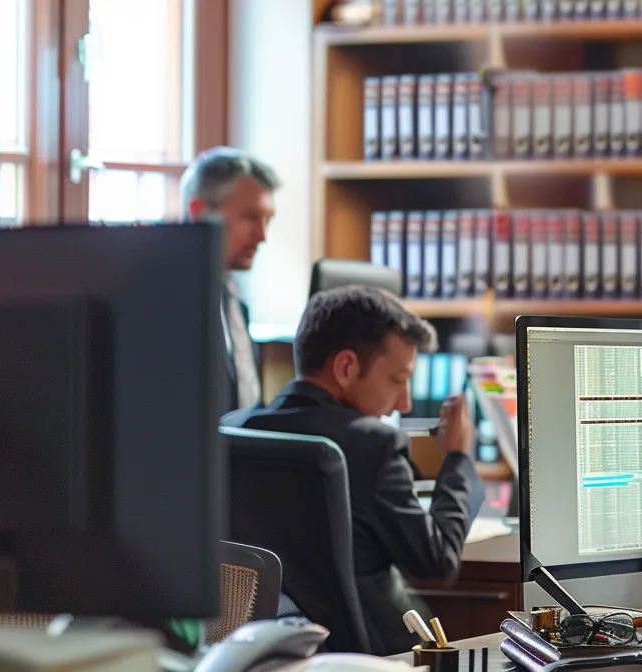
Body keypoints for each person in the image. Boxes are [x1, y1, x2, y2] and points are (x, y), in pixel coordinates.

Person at [222, 286, 483, 655]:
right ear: (346, 367)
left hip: (260, 656)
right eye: (397, 379)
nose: (404, 401)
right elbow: (436, 561)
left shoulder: (232, 431)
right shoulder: (372, 444)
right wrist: (458, 458)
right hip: (374, 659)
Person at [181, 146, 280, 413]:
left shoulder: (233, 300)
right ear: (198, 212)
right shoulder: (169, 304)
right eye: (249, 217)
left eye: (267, 220)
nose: (262, 235)